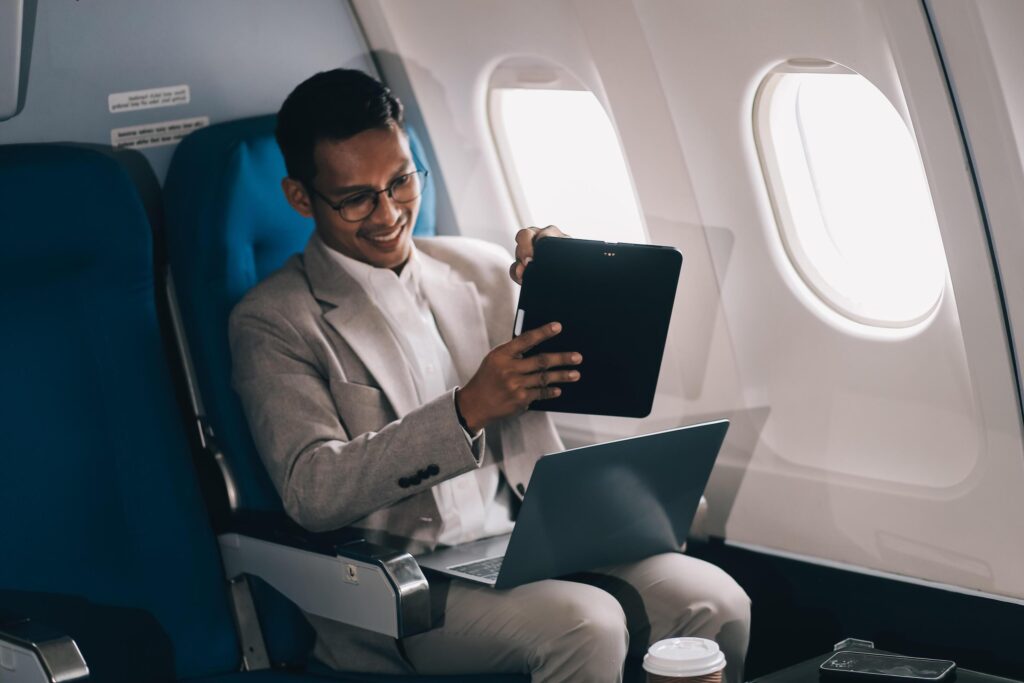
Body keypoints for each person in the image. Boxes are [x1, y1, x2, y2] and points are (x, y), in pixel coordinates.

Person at [229, 68, 750, 683]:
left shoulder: (478, 268)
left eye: (400, 181)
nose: (389, 212)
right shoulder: (273, 320)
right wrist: (466, 410)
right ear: (300, 197)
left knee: (717, 600)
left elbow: (584, 376)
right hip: (410, 585)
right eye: (356, 198)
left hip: (533, 540)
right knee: (589, 622)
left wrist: (581, 285)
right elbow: (311, 492)